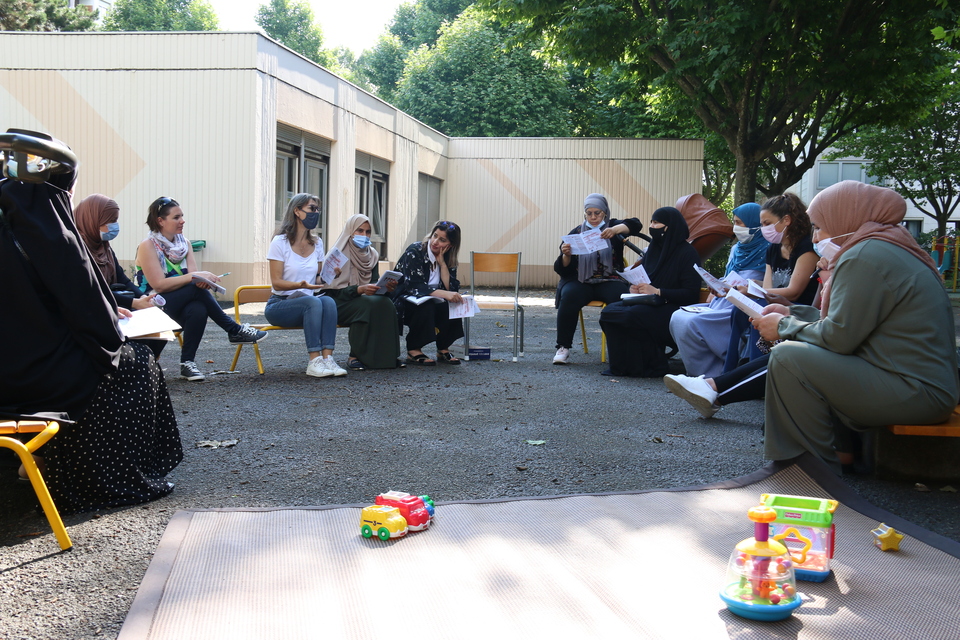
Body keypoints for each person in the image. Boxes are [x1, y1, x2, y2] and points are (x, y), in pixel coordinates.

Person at [0, 150, 182, 514]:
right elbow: (97, 329)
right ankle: (108, 478)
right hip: (35, 379)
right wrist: (111, 320)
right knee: (134, 364)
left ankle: (32, 463)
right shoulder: (54, 239)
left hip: (9, 368)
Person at [754, 180, 959, 473]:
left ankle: (808, 470)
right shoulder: (883, 245)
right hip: (916, 384)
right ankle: (824, 457)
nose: (815, 237)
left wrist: (785, 325)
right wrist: (791, 311)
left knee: (788, 357)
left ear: (844, 218)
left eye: (819, 227)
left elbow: (838, 337)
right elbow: (850, 322)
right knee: (797, 353)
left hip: (915, 391)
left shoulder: (864, 255)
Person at [135, 196, 266, 381]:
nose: (182, 221)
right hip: (152, 305)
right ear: (160, 221)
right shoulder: (147, 245)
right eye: (176, 217)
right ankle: (233, 330)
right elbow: (159, 285)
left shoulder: (185, 243)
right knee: (196, 292)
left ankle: (187, 363)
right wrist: (194, 279)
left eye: (182, 216)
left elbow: (194, 282)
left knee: (198, 307)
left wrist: (204, 281)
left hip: (176, 306)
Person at [669, 202, 769, 378]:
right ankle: (701, 372)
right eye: (735, 222)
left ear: (755, 224)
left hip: (742, 303)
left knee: (693, 323)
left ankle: (719, 373)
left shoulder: (769, 249)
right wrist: (717, 285)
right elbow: (729, 275)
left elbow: (768, 286)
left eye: (740, 223)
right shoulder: (737, 249)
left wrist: (746, 286)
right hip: (723, 299)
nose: (735, 227)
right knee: (678, 317)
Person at [598, 206, 701, 377]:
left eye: (656, 223)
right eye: (651, 222)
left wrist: (659, 291)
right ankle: (622, 365)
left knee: (632, 315)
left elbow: (691, 294)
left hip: (672, 306)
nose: (652, 226)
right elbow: (646, 277)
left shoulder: (688, 253)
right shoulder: (654, 249)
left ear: (668, 227)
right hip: (648, 302)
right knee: (609, 312)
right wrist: (636, 287)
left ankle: (651, 365)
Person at [722, 193, 818, 371]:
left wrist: (752, 291)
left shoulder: (806, 247)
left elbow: (794, 291)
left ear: (786, 220)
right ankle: (732, 367)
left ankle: (754, 369)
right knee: (739, 309)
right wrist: (748, 289)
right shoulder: (773, 248)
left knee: (761, 308)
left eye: (767, 224)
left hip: (797, 306)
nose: (763, 229)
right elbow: (768, 288)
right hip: (775, 300)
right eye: (762, 224)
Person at [552, 193, 644, 365]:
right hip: (581, 280)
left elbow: (636, 224)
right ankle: (563, 347)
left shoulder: (614, 226)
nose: (593, 217)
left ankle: (622, 348)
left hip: (610, 279)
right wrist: (566, 255)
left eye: (598, 213)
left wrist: (615, 230)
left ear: (605, 212)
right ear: (585, 214)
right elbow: (563, 270)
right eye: (589, 213)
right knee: (570, 296)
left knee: (621, 298)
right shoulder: (577, 232)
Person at [265, 193, 346, 378]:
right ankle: (314, 360)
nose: (315, 213)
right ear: (297, 211)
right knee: (315, 302)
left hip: (308, 303)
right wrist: (298, 285)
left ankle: (327, 359)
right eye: (311, 209)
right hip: (280, 304)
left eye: (317, 209)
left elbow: (317, 280)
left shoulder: (317, 243)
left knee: (328, 302)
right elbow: (276, 283)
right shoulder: (280, 242)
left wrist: (330, 274)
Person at [322, 213, 401, 370]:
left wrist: (386, 288)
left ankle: (388, 357)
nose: (364, 235)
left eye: (367, 231)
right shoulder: (337, 255)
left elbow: (374, 282)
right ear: (350, 231)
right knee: (366, 305)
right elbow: (331, 292)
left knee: (386, 303)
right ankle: (355, 356)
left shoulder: (372, 255)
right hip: (337, 303)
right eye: (359, 231)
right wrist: (358, 290)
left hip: (362, 299)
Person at [394, 220, 464, 365]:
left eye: (442, 240)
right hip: (405, 297)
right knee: (426, 306)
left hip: (430, 297)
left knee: (451, 304)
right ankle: (414, 350)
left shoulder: (448, 258)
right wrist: (443, 294)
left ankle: (443, 348)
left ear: (450, 245)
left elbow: (451, 288)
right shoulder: (415, 250)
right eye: (435, 236)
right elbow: (413, 285)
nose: (435, 242)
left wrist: (443, 265)